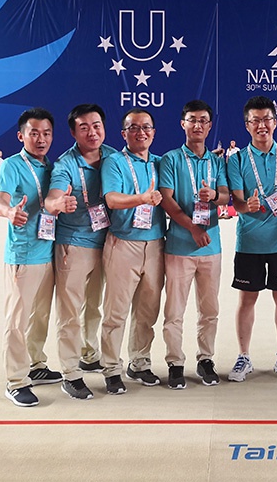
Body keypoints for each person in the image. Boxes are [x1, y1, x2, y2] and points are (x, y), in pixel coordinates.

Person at [226, 96, 277, 383]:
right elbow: (236, 201)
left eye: (267, 119)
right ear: (247, 125)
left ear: (275, 122)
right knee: (247, 299)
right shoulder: (237, 159)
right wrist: (245, 206)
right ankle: (243, 356)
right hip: (249, 243)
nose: (262, 125)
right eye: (255, 121)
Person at [43, 104, 117, 400]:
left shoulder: (114, 157)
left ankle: (89, 354)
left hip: (106, 243)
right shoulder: (65, 164)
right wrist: (58, 204)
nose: (92, 132)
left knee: (94, 307)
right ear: (73, 133)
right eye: (84, 127)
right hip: (73, 245)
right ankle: (70, 373)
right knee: (70, 312)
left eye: (97, 125)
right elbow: (52, 197)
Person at [159, 100, 229, 389]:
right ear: (183, 124)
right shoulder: (171, 159)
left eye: (203, 120)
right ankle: (175, 362)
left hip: (211, 247)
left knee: (209, 310)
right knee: (174, 310)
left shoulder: (216, 162)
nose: (197, 125)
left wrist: (214, 196)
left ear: (210, 126)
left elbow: (226, 195)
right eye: (192, 120)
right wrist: (193, 228)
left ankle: (206, 359)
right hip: (179, 247)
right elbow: (166, 200)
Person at [0, 107, 62, 407]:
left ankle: (36, 365)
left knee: (40, 317)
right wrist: (9, 212)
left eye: (46, 133)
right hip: (23, 255)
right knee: (17, 320)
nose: (41, 139)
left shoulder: (51, 168)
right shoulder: (12, 165)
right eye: (34, 133)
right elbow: (1, 198)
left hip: (48, 252)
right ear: (21, 136)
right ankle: (16, 381)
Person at [100, 108, 166, 395]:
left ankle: (139, 362)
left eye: (146, 127)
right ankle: (111, 368)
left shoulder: (160, 163)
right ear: (123, 133)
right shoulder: (114, 162)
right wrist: (141, 198)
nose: (141, 132)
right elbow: (112, 199)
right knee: (116, 312)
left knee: (147, 311)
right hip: (123, 243)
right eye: (134, 128)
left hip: (156, 244)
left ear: (154, 132)